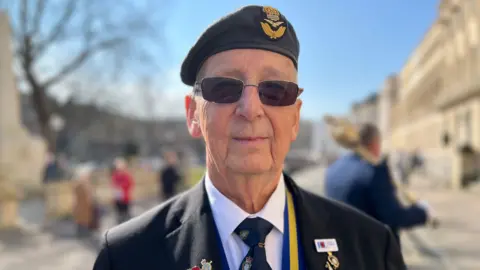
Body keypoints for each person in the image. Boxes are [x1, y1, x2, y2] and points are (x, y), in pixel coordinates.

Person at [93, 6, 406, 269]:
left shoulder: (372, 248)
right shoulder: (125, 258)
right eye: (225, 88)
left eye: (275, 90)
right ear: (193, 115)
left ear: (295, 118)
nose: (251, 109)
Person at [325, 123, 432, 245]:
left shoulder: (333, 168)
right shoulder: (375, 170)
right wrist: (423, 212)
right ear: (375, 144)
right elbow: (393, 216)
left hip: (342, 247)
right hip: (369, 252)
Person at [111, 158, 134, 224]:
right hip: (117, 198)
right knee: (119, 215)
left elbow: (130, 184)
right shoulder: (115, 175)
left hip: (125, 198)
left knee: (126, 215)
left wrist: (121, 186)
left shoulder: (126, 175)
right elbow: (113, 184)